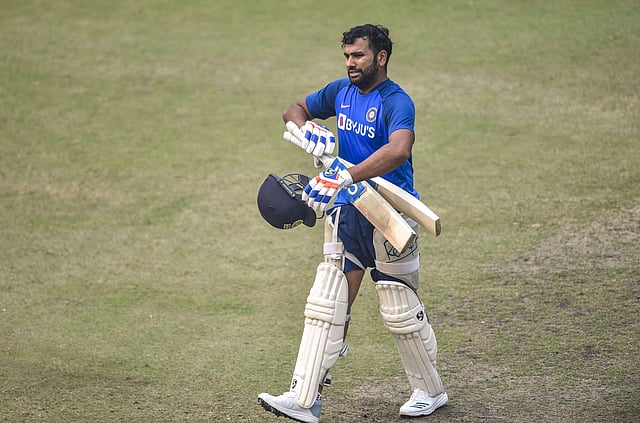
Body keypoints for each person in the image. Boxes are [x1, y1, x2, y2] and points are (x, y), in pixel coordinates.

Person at [258, 24, 447, 422]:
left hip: (389, 214)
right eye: (347, 56)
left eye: (358, 55)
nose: (350, 63)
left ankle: (430, 391)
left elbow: (399, 150)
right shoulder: (339, 92)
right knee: (327, 301)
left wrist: (347, 174)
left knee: (398, 305)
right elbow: (294, 109)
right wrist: (308, 129)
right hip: (348, 209)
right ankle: (305, 398)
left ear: (381, 57)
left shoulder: (396, 101)